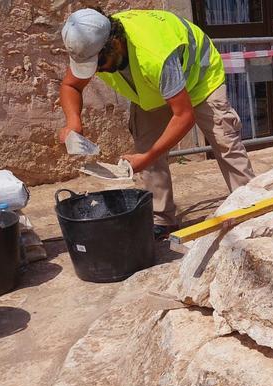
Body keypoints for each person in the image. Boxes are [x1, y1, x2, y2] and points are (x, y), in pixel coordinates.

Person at [58, 8, 255, 238]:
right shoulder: (93, 44)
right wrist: (73, 123)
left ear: (115, 44)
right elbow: (71, 86)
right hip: (152, 90)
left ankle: (254, 208)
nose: (97, 70)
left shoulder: (153, 55)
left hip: (200, 78)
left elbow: (184, 116)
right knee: (146, 144)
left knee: (225, 143)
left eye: (98, 63)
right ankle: (162, 220)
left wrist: (149, 156)